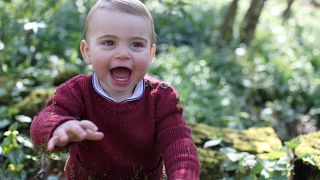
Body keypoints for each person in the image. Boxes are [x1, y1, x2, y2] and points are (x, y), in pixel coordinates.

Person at [30, 0, 200, 179]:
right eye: (109, 42)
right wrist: (59, 127)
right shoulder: (77, 92)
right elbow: (43, 122)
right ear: (87, 51)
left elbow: (179, 142)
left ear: (150, 54)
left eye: (136, 44)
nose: (123, 54)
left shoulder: (161, 98)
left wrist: (184, 174)